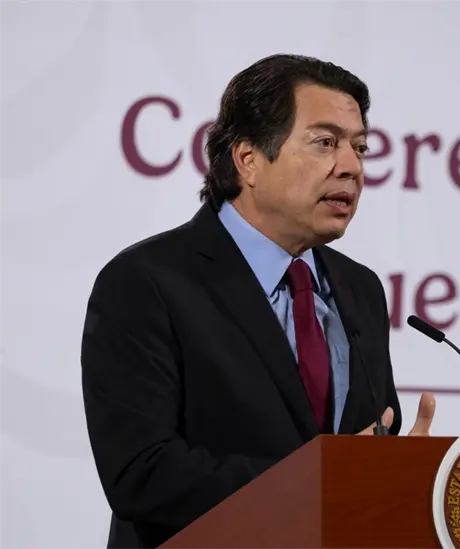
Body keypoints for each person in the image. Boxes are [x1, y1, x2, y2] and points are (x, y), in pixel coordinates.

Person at [80, 53, 437, 549]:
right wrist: (318, 482)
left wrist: (401, 474)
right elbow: (141, 473)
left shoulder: (360, 289)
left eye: (360, 148)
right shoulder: (147, 281)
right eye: (325, 143)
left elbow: (364, 455)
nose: (352, 167)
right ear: (248, 159)